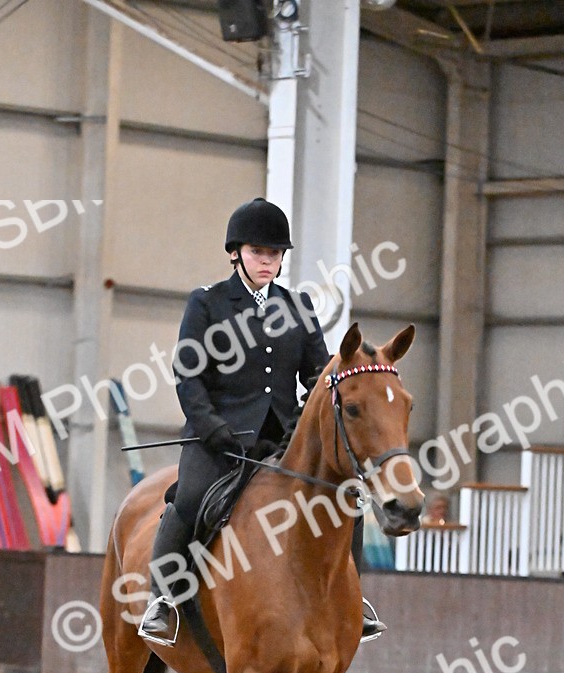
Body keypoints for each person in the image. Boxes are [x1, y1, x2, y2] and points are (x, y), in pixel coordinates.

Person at [138, 196, 386, 646]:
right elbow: (188, 376)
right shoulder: (209, 304)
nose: (267, 261)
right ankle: (163, 602)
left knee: (345, 495)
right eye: (258, 252)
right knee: (190, 498)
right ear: (237, 253)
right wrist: (212, 428)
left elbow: (317, 374)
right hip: (218, 438)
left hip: (282, 439)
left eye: (274, 254)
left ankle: (354, 599)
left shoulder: (299, 305)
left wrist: (321, 413)